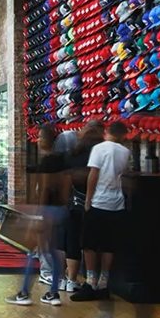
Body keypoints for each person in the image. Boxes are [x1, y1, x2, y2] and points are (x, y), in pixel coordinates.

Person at [79, 122, 156, 318]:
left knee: (89, 243)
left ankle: (91, 279)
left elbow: (93, 175)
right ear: (124, 135)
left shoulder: (99, 148)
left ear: (106, 132)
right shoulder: (125, 152)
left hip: (99, 202)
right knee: (109, 245)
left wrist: (88, 200)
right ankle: (104, 279)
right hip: (117, 204)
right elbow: (124, 177)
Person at [8, 126, 67, 307]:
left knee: (33, 248)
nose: (38, 140)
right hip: (60, 210)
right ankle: (53, 292)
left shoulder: (47, 162)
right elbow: (66, 187)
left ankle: (24, 293)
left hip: (47, 211)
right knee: (53, 251)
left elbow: (45, 188)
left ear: (47, 140)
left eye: (40, 137)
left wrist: (39, 214)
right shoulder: (63, 161)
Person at [66, 120, 106, 300]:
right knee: (97, 244)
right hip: (99, 203)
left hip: (76, 201)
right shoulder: (102, 154)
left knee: (75, 240)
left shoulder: (73, 154)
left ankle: (72, 280)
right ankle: (99, 283)